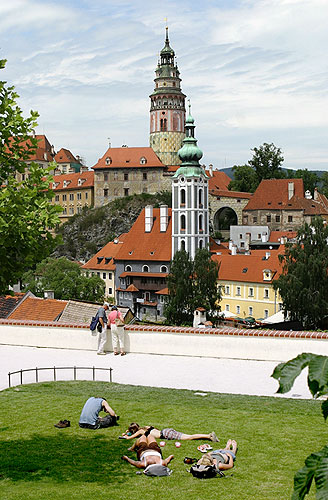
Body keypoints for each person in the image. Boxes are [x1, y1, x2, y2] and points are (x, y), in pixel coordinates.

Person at [121, 423, 219, 443]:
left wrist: (125, 435)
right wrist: (127, 431)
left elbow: (129, 438)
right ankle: (208, 436)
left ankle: (209, 436)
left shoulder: (140, 432)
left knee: (189, 437)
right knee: (189, 436)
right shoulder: (145, 427)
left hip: (166, 435)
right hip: (166, 430)